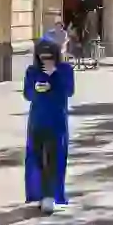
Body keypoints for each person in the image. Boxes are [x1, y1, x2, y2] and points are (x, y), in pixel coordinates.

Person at [23, 39, 74, 214]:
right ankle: (39, 193)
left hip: (57, 121)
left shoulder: (65, 70)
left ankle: (50, 196)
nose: (46, 61)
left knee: (54, 159)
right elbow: (27, 94)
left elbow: (69, 90)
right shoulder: (32, 71)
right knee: (36, 159)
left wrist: (55, 75)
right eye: (42, 57)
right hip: (37, 121)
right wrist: (37, 86)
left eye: (49, 57)